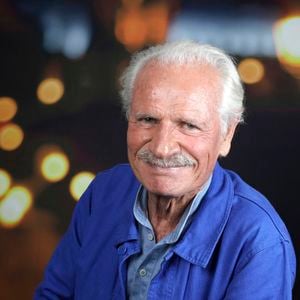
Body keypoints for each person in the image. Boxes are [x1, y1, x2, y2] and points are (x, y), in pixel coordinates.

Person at [35, 41, 296, 299]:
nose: (162, 148)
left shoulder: (259, 243)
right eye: (148, 120)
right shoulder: (102, 194)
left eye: (188, 125)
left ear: (227, 135)